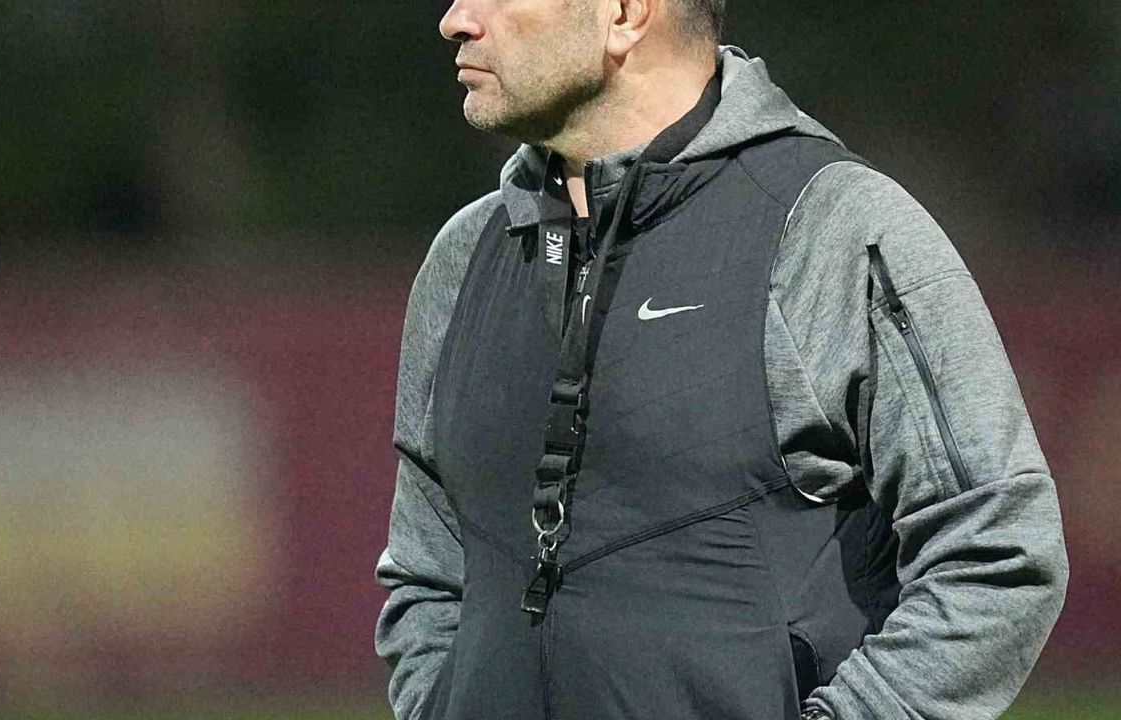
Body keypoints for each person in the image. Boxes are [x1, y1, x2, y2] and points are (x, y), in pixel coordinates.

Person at [374, 1, 1069, 719]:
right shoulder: (465, 256)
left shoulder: (831, 226)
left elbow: (998, 551)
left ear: (625, 13)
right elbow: (427, 574)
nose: (456, 20)